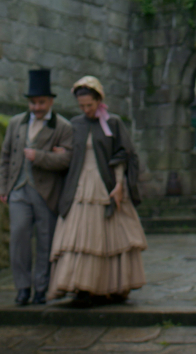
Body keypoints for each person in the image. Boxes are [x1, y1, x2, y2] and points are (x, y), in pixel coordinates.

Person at [47, 76, 147, 305]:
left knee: (109, 238)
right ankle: (82, 288)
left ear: (99, 100)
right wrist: (63, 153)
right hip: (79, 185)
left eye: (89, 105)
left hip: (106, 185)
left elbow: (124, 154)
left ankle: (111, 287)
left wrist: (119, 185)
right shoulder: (75, 124)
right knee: (78, 238)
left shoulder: (113, 123)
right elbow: (70, 151)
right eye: (82, 106)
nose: (86, 110)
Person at [0, 70, 73, 306]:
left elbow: (67, 159)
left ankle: (41, 288)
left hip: (47, 192)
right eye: (33, 102)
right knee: (19, 238)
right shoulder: (16, 123)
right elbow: (5, 156)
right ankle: (22, 288)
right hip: (18, 190)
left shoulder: (62, 126)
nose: (37, 107)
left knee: (45, 240)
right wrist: (4, 187)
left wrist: (39, 156)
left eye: (41, 102)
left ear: (50, 101)